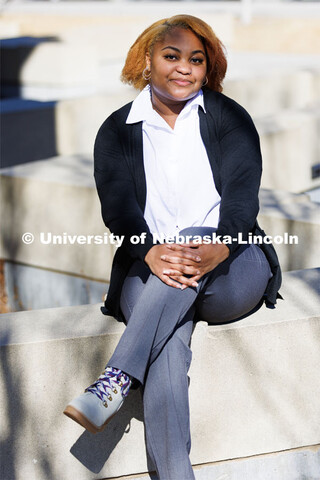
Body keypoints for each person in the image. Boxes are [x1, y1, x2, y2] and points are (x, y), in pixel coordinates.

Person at [64, 14, 281, 480]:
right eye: (171, 56)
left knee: (189, 244)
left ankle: (116, 379)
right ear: (147, 60)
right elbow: (119, 209)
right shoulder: (117, 130)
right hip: (151, 267)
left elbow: (243, 197)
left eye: (196, 60)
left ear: (208, 68)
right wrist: (148, 251)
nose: (184, 68)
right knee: (166, 348)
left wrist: (219, 247)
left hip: (234, 267)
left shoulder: (229, 118)